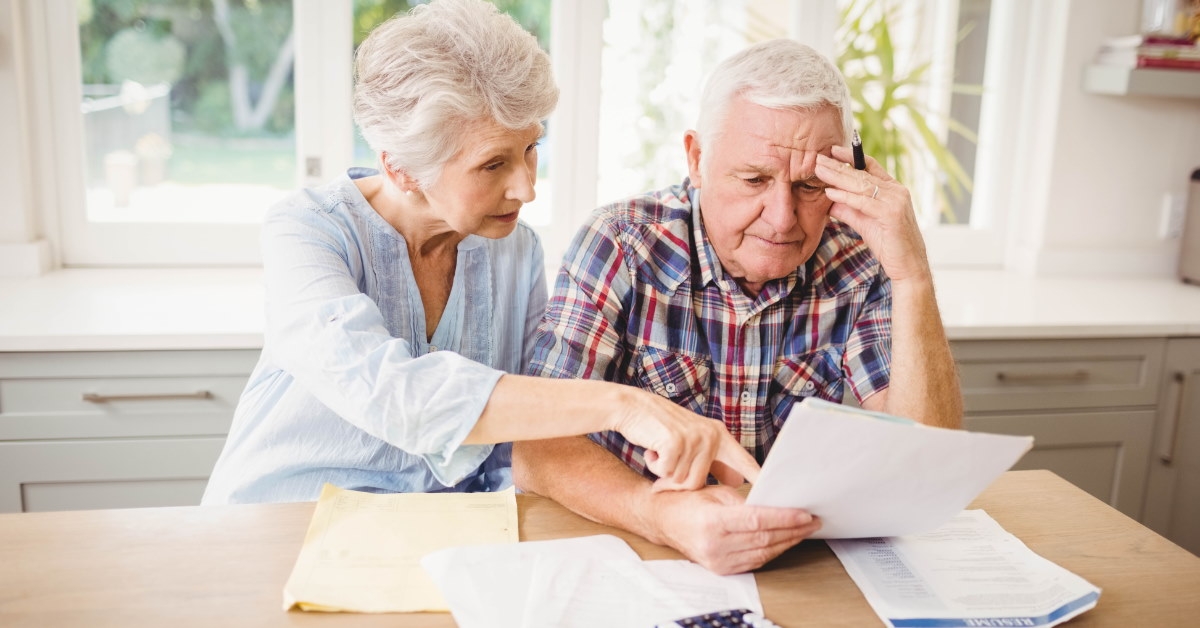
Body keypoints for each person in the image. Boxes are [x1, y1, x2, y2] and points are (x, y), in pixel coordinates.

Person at [202, 0, 757, 506]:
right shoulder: (307, 230)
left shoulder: (513, 250)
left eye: (531, 149)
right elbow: (392, 394)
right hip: (279, 521)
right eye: (493, 164)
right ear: (401, 168)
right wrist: (625, 406)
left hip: (437, 533)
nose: (526, 188)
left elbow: (523, 431)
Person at [513, 39, 963, 574]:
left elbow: (924, 458)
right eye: (754, 180)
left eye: (810, 185)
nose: (782, 218)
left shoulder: (859, 258)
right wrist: (660, 515)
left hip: (790, 562)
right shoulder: (621, 242)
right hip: (632, 549)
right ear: (697, 159)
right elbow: (535, 448)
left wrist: (911, 273)